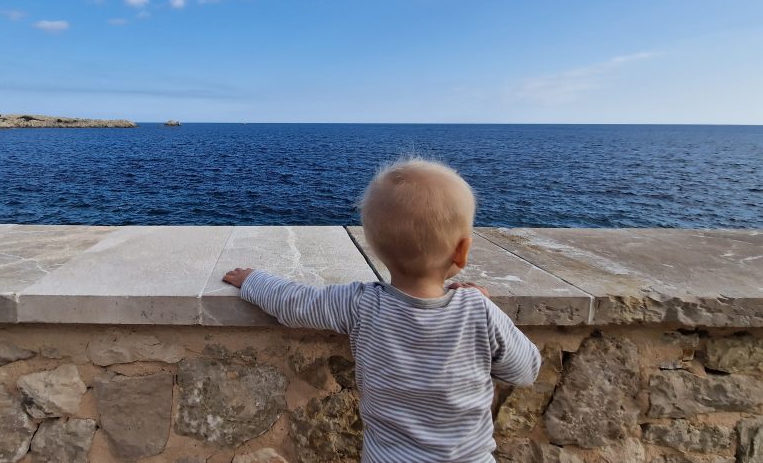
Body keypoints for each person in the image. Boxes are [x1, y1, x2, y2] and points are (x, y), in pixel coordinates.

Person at [222, 158, 541, 463]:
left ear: (373, 247)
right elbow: (525, 370)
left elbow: (295, 303)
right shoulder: (477, 312)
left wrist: (253, 280)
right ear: (462, 251)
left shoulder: (361, 304)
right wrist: (483, 303)